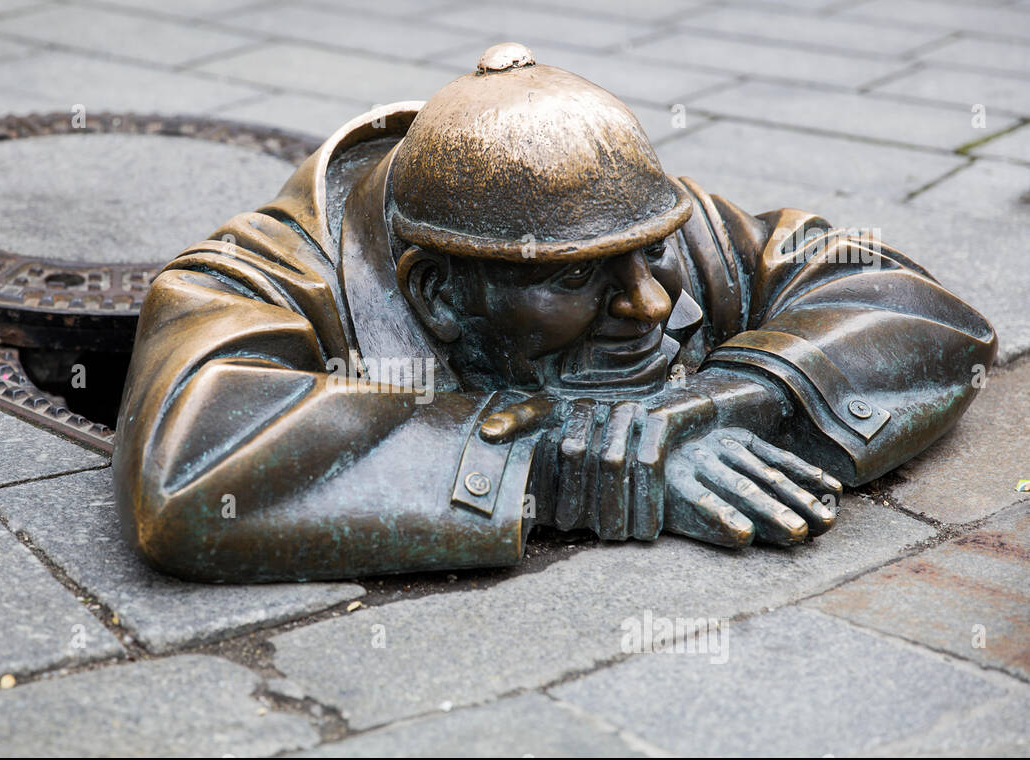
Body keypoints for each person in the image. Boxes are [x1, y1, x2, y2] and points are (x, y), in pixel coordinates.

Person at [113, 43, 996, 582]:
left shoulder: (627, 226)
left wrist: (721, 402)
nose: (650, 300)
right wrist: (557, 464)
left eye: (651, 257)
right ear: (433, 295)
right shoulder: (252, 277)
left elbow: (923, 311)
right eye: (576, 282)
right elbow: (187, 468)